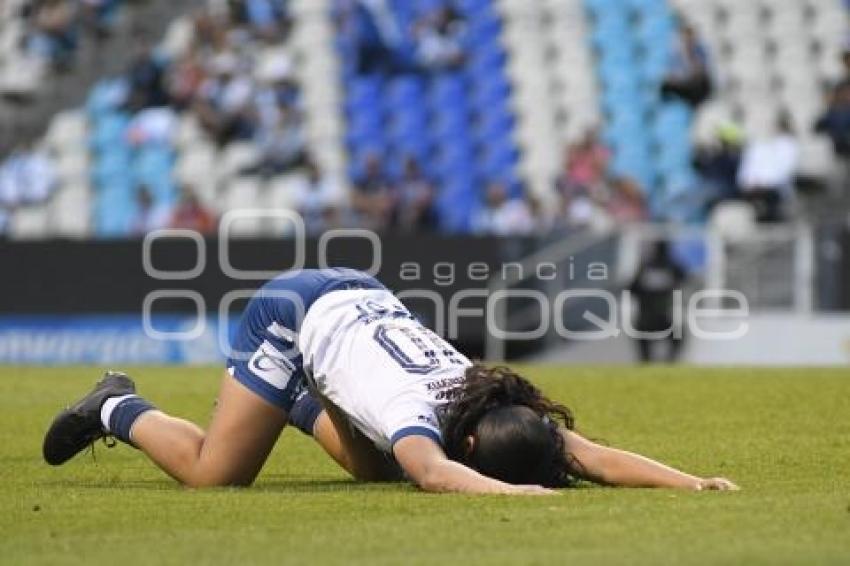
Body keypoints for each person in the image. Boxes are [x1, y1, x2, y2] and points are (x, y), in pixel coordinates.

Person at [43, 268, 737, 494]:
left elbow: (590, 455)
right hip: (294, 314)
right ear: (465, 440)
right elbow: (434, 475)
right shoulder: (416, 410)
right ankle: (118, 405)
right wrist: (517, 495)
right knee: (213, 475)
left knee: (378, 474)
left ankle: (297, 399)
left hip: (359, 298)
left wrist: (691, 482)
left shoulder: (487, 395)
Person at [628, 241, 688, 364]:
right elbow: (684, 277)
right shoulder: (670, 268)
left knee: (676, 335)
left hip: (648, 319)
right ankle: (668, 363)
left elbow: (631, 289)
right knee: (678, 335)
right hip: (660, 318)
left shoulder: (646, 268)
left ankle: (650, 363)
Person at [738, 113, 799, 223]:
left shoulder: (788, 145)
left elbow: (784, 174)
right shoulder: (756, 146)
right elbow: (744, 174)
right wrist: (752, 184)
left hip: (775, 190)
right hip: (755, 189)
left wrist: (765, 184)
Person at [660, 23, 712, 108]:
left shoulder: (700, 51)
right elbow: (672, 75)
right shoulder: (676, 55)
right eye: (685, 38)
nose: (687, 41)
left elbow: (700, 71)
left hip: (698, 88)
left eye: (690, 38)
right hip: (685, 86)